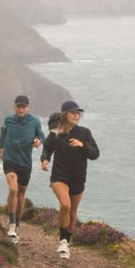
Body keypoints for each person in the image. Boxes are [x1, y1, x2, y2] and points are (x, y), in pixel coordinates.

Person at [41, 100, 99, 259]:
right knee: (65, 205)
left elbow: (95, 154)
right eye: (73, 112)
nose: (76, 115)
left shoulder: (85, 133)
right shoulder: (55, 133)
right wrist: (45, 160)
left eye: (78, 112)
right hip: (59, 176)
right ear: (64, 114)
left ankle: (67, 241)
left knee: (73, 212)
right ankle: (63, 242)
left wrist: (83, 145)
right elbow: (47, 148)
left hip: (78, 178)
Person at [0, 95, 45, 239]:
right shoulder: (9, 120)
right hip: (10, 160)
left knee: (21, 193)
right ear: (14, 107)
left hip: (25, 162)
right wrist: (0, 147)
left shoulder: (34, 121)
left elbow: (42, 136)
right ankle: (11, 224)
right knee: (13, 189)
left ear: (27, 108)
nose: (21, 109)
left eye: (23, 106)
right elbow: (3, 133)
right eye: (18, 106)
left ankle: (17, 223)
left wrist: (38, 141)